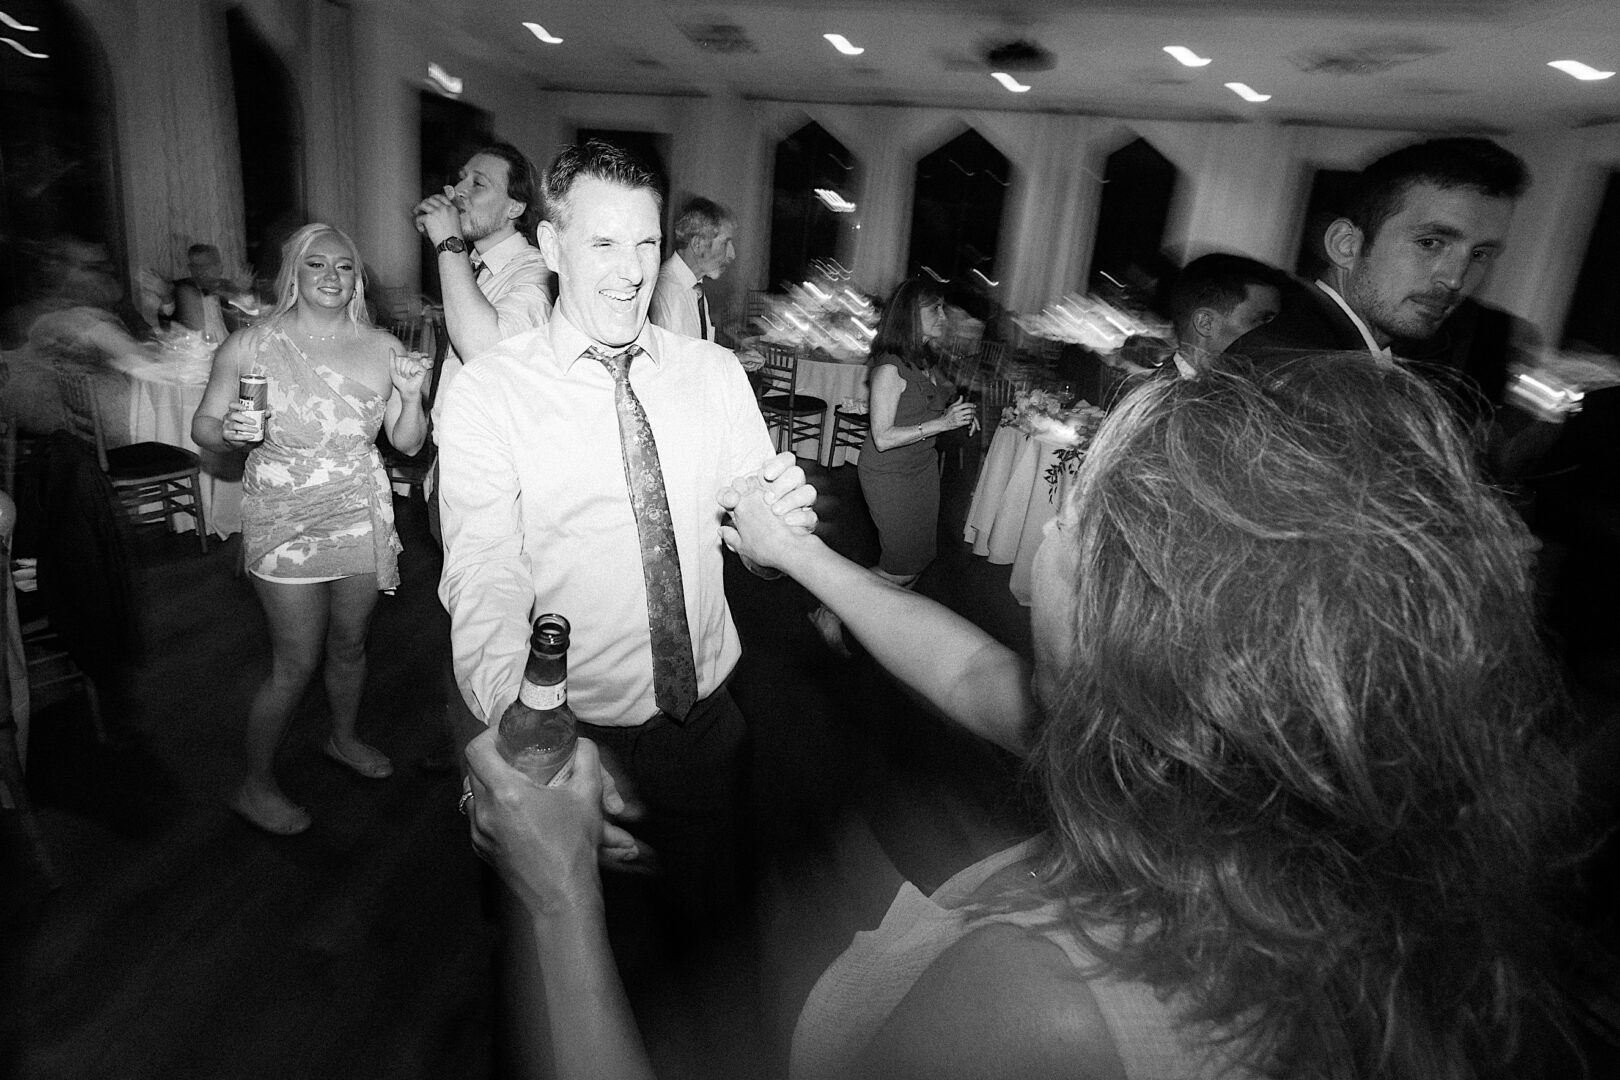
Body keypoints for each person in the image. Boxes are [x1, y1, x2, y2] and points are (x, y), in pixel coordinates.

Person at [465, 352, 1582, 1080]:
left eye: (1074, 492)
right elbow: (973, 680)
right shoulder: (1197, 772)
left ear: (1141, 618)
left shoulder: (1040, 1007)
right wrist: (799, 552)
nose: (1048, 520)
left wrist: (556, 894)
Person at [436, 140, 815, 1073]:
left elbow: (749, 543)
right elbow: (481, 576)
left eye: (645, 245)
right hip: (572, 744)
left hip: (707, 728)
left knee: (716, 974)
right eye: (603, 244)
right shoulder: (492, 392)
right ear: (552, 243)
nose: (630, 271)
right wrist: (531, 741)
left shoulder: (711, 376)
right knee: (556, 1006)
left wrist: (779, 538)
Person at [193, 223, 430, 836]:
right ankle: (254, 783)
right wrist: (230, 433)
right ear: (293, 275)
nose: (331, 276)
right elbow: (205, 427)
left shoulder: (382, 347)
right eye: (316, 265)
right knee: (293, 662)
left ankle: (343, 738)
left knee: (350, 644)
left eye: (344, 266)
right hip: (283, 512)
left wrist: (410, 397)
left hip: (357, 509)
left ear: (357, 278)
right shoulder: (252, 345)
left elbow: (406, 444)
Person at [412, 140, 554, 773]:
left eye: (481, 184)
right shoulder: (473, 267)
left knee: (493, 616)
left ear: (517, 206)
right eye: (460, 178)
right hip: (454, 470)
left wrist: (447, 245)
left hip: (505, 483)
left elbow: (486, 349)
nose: (461, 191)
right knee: (465, 612)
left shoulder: (531, 274)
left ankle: (517, 760)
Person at [1231, 137, 1529, 365]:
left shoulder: (1346, 355)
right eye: (1430, 243)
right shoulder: (1299, 372)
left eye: (1480, 254)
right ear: (1345, 245)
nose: (1455, 280)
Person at [808, 277, 976, 655]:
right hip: (890, 474)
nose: (943, 316)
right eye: (934, 309)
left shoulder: (924, 359)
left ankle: (883, 622)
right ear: (910, 317)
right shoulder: (890, 368)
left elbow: (931, 404)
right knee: (901, 565)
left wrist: (957, 415)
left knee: (918, 558)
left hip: (921, 469)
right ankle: (832, 610)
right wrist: (942, 423)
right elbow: (882, 436)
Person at [1163, 252, 1284, 377]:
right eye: (1262, 320)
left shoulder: (1256, 390)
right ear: (1205, 323)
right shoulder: (1158, 394)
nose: (1273, 337)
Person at [648, 195, 735, 343]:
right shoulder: (665, 293)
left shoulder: (695, 288)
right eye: (725, 243)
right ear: (697, 244)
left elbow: (696, 355)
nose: (732, 254)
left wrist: (733, 358)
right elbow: (672, 364)